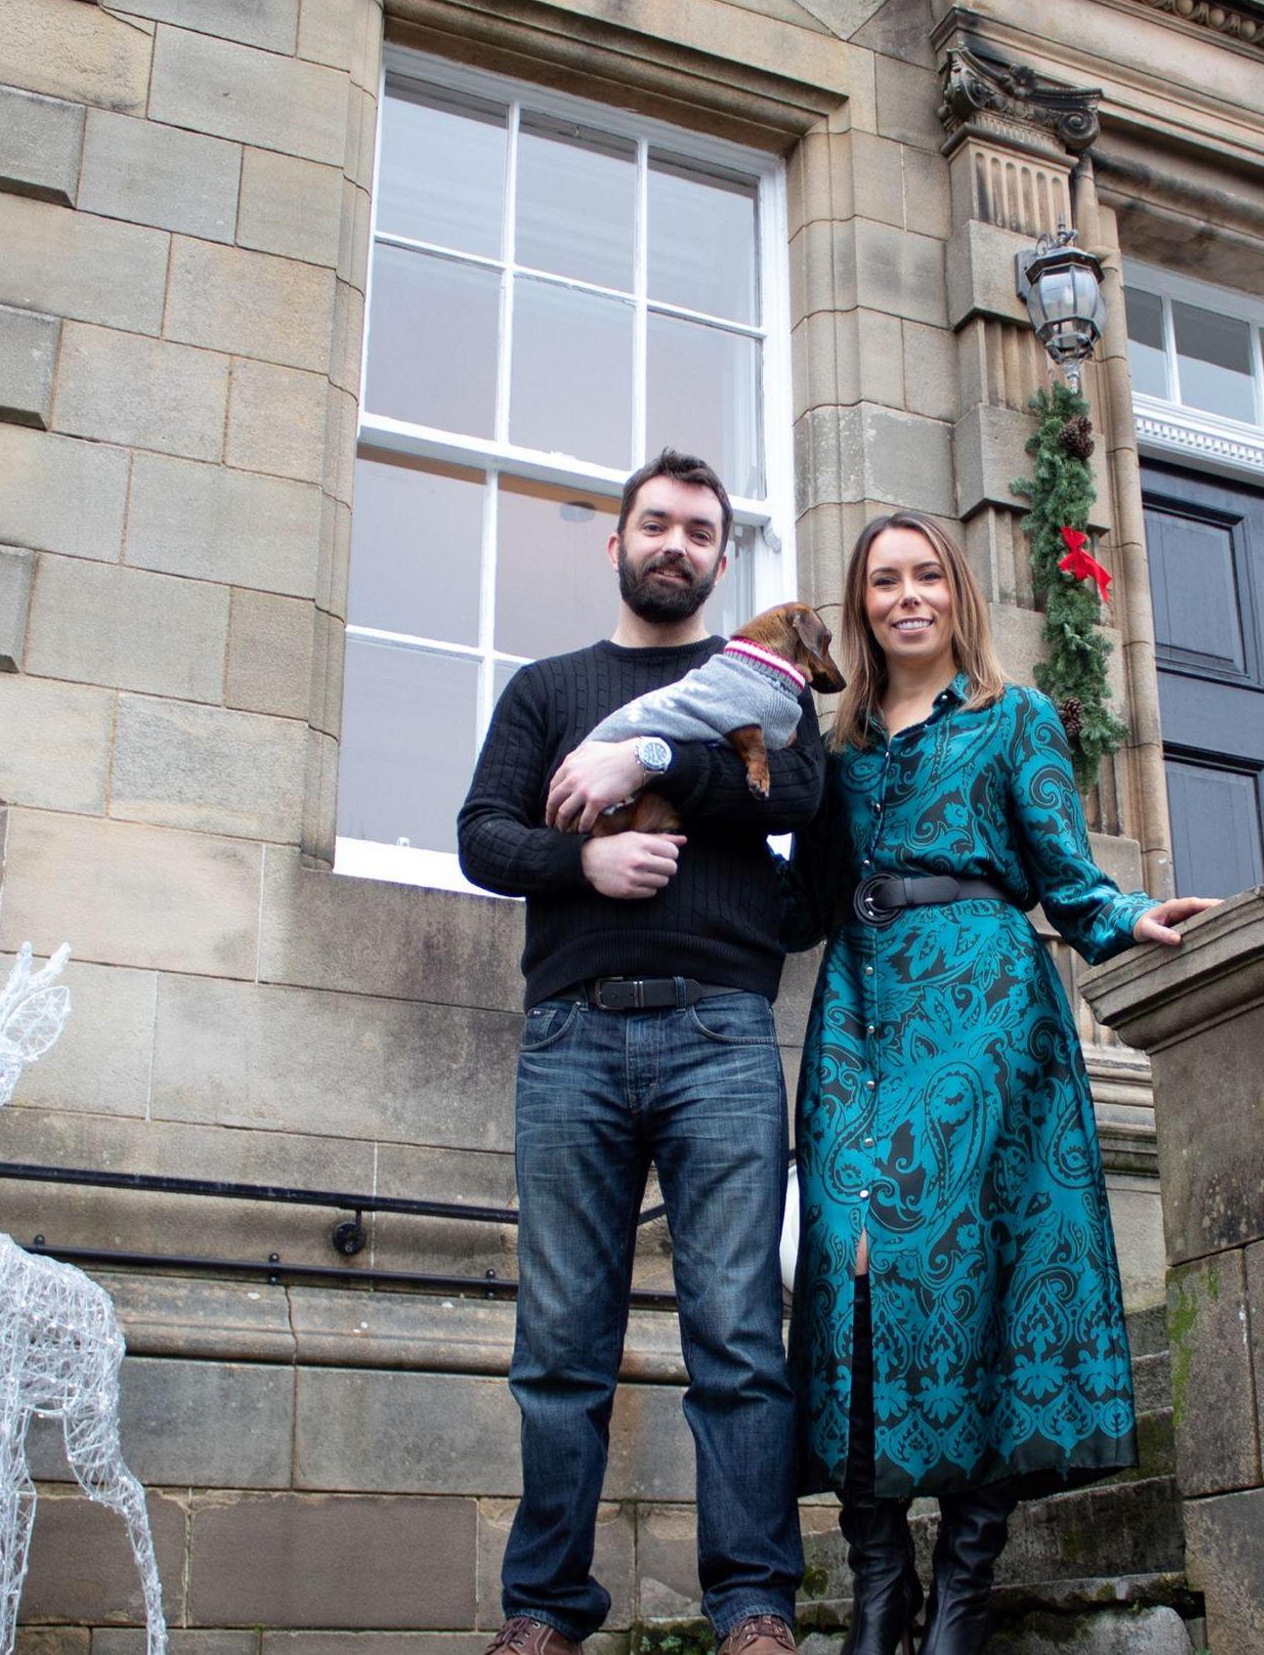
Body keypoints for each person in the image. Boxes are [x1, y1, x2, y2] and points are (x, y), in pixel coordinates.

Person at [781, 511, 1217, 1655]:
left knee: (961, 1265)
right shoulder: (834, 750)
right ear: (861, 603)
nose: (907, 594)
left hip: (981, 1010)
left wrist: (1132, 915)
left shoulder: (1013, 718)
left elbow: (1068, 881)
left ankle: (960, 1587)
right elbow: (798, 907)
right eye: (884, 580)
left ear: (957, 593)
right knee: (846, 1263)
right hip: (856, 1014)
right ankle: (881, 1575)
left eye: (927, 574)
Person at [459, 449, 816, 1655]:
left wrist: (650, 759)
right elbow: (482, 837)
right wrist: (586, 863)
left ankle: (755, 1609)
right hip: (571, 1036)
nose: (676, 544)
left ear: (724, 557)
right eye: (654, 524)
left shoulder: (765, 686)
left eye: (699, 531)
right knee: (560, 1343)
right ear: (615, 544)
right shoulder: (549, 688)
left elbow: (798, 800)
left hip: (720, 1032)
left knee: (736, 1336)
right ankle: (545, 1614)